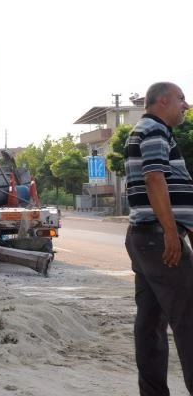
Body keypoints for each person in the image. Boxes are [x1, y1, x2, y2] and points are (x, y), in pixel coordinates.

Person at [124, 81, 193, 395]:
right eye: (181, 99)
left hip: (145, 238)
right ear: (163, 100)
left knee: (150, 324)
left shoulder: (148, 129)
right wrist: (170, 232)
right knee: (189, 320)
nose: (186, 105)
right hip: (157, 238)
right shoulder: (154, 129)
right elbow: (154, 178)